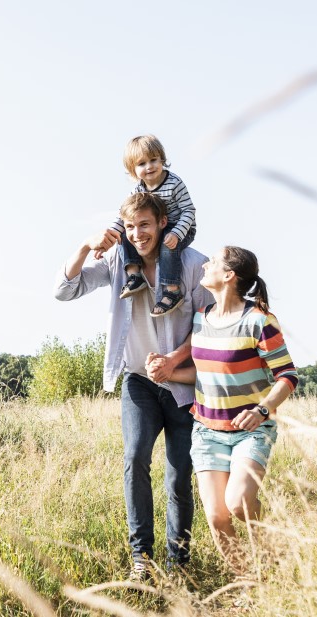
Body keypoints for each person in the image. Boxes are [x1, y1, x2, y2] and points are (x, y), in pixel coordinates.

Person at [54, 191, 210, 579]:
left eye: (145, 224)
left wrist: (174, 360)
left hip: (184, 384)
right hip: (138, 381)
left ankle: (179, 563)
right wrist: (86, 246)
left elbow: (208, 326)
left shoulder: (193, 264)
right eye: (130, 226)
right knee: (135, 458)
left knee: (178, 474)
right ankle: (141, 558)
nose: (138, 233)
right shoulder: (119, 261)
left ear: (161, 223)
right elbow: (65, 290)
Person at [147, 246, 298, 576]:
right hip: (207, 431)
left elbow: (288, 375)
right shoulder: (202, 318)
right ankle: (248, 582)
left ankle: (271, 552)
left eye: (213, 262)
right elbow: (203, 371)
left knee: (239, 503)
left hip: (251, 430)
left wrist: (262, 409)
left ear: (229, 275)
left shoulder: (259, 320)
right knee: (217, 517)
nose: (206, 265)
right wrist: (166, 371)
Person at [98, 135, 197, 318]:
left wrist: (176, 233)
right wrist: (110, 236)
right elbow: (123, 217)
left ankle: (172, 291)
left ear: (162, 160)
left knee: (167, 246)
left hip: (179, 227)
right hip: (154, 228)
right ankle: (135, 275)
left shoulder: (174, 183)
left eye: (153, 160)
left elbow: (189, 211)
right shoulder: (137, 190)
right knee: (127, 235)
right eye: (142, 164)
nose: (149, 167)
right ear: (133, 170)